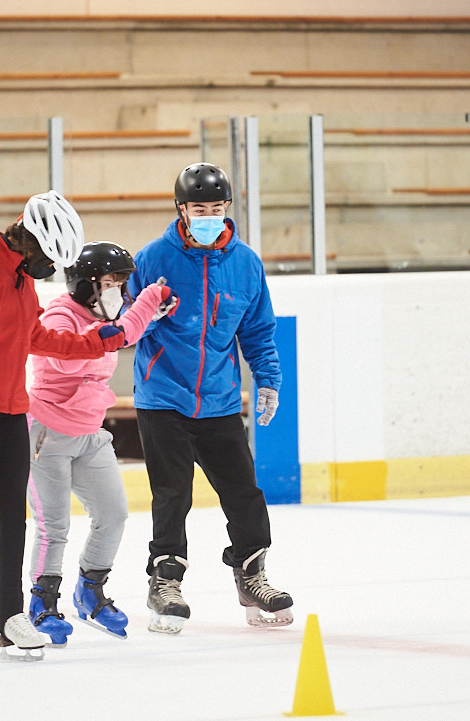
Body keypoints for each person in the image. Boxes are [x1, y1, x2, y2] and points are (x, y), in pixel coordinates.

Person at [0, 191, 128, 663]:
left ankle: (9, 616)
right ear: (30, 238)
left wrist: (95, 343)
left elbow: (35, 337)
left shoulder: (22, 281)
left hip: (11, 412)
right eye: (45, 257)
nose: (46, 269)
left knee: (14, 517)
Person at [126, 162, 294, 634]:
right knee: (172, 495)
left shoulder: (245, 263)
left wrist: (267, 380)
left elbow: (258, 331)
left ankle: (252, 573)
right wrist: (149, 312)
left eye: (217, 209)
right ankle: (166, 579)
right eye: (200, 208)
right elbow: (124, 325)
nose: (209, 216)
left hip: (219, 401)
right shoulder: (153, 258)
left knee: (244, 493)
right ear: (181, 209)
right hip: (163, 398)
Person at [24, 241, 175, 645]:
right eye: (111, 283)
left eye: (123, 285)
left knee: (114, 515)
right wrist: (139, 307)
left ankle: (89, 590)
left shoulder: (108, 314)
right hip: (46, 434)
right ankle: (41, 602)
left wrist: (150, 308)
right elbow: (67, 358)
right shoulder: (60, 314)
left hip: (90, 434)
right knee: (53, 527)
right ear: (84, 286)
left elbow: (125, 332)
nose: (118, 293)